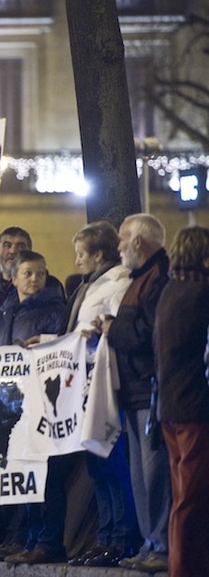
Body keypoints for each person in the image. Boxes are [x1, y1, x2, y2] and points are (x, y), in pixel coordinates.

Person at [0, 251, 69, 565]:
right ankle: (30, 538)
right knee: (25, 475)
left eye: (40, 273)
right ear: (13, 278)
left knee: (46, 476)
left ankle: (48, 541)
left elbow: (65, 346)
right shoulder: (4, 311)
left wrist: (45, 342)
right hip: (12, 407)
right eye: (28, 273)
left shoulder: (55, 310)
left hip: (42, 404)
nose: (35, 279)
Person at [60, 221, 137, 568]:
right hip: (85, 384)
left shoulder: (118, 281)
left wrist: (100, 330)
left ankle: (121, 538)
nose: (77, 260)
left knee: (111, 462)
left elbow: (118, 324)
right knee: (96, 465)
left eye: (81, 254)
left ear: (98, 254)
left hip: (105, 383)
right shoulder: (91, 284)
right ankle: (104, 536)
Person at [103, 213, 171, 574]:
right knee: (139, 474)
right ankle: (149, 543)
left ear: (139, 242)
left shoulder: (157, 279)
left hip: (148, 389)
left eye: (122, 239)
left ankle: (160, 544)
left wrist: (112, 330)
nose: (118, 247)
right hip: (133, 389)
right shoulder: (142, 278)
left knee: (153, 472)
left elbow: (148, 334)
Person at [154, 226, 209, 577]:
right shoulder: (201, 293)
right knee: (192, 499)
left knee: (182, 495)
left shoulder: (170, 290)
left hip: (170, 407)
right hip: (195, 408)